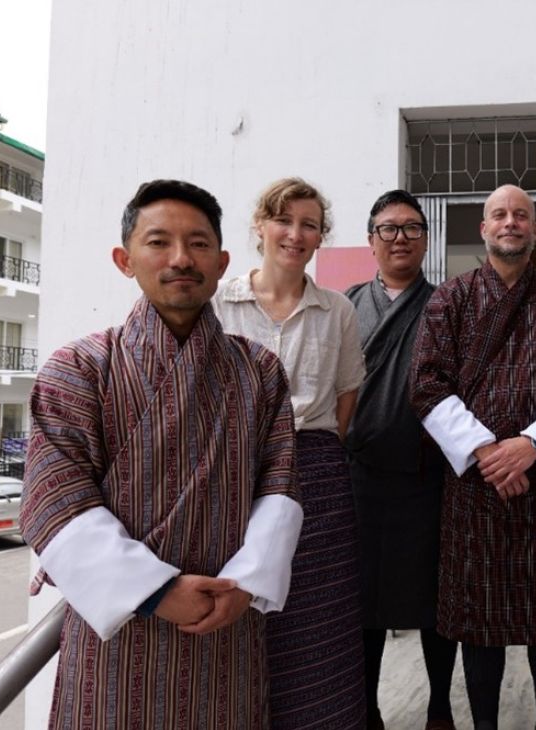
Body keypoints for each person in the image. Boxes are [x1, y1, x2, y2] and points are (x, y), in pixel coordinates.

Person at [20, 179, 302, 729]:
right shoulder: (78, 369)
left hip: (226, 620)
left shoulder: (260, 371)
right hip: (120, 638)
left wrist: (246, 584)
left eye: (198, 244)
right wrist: (156, 591)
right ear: (125, 259)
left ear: (221, 263)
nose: (180, 259)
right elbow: (56, 501)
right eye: (158, 242)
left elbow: (282, 485)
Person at [409, 184, 536, 730]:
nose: (510, 222)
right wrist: (487, 451)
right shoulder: (451, 298)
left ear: (535, 230)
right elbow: (426, 385)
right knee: (479, 621)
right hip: (474, 488)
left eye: (521, 215)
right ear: (483, 229)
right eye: (499, 215)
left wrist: (530, 447)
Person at [213, 177, 366, 729]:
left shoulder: (338, 310)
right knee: (241, 604)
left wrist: (313, 448)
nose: (295, 234)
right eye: (284, 220)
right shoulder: (220, 301)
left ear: (320, 236)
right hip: (234, 474)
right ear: (260, 225)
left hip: (317, 476)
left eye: (309, 225)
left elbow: (347, 391)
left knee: (316, 617)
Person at [345, 190, 457, 730]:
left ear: (425, 239)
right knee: (363, 604)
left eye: (412, 228)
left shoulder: (447, 305)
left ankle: (440, 708)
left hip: (425, 477)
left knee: (434, 600)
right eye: (388, 229)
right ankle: (367, 709)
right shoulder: (344, 306)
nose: (400, 239)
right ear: (371, 241)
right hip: (359, 479)